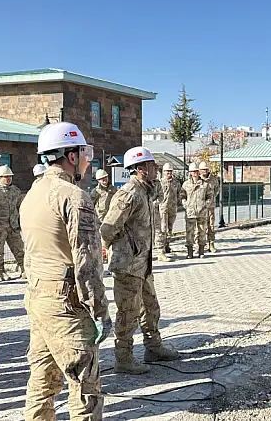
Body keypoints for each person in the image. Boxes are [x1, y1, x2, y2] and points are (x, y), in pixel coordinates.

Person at [20, 122, 111, 420]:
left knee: (43, 379)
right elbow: (87, 262)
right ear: (71, 156)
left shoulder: (32, 194)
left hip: (38, 296)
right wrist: (99, 311)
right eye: (85, 153)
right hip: (65, 302)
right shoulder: (73, 196)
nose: (87, 160)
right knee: (84, 383)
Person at [100, 146, 179, 375]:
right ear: (141, 168)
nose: (156, 169)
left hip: (142, 264)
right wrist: (117, 248)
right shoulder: (129, 193)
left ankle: (153, 348)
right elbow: (107, 228)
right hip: (127, 266)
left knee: (151, 307)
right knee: (128, 313)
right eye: (153, 165)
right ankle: (123, 358)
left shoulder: (145, 191)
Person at [0, 165, 26, 281]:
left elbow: (20, 207)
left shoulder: (16, 191)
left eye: (10, 177)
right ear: (0, 177)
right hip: (0, 227)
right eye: (5, 177)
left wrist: (20, 223)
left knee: (19, 249)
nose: (8, 179)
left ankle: (24, 269)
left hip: (13, 226)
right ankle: (0, 271)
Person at [180, 163, 210, 259]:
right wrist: (186, 205)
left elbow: (210, 196)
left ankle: (201, 251)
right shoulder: (186, 184)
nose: (195, 173)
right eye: (193, 171)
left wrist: (205, 205)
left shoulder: (205, 184)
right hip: (190, 212)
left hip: (202, 212)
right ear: (190, 173)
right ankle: (190, 252)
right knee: (189, 232)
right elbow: (182, 196)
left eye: (196, 171)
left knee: (202, 231)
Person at [156, 163, 180, 255]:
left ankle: (167, 245)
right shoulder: (160, 183)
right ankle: (161, 248)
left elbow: (179, 193)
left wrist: (179, 202)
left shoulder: (176, 182)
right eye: (167, 171)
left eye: (170, 171)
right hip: (163, 209)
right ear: (164, 172)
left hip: (173, 208)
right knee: (163, 228)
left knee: (170, 228)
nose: (169, 173)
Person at [198, 162, 219, 253]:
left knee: (211, 226)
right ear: (199, 171)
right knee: (200, 227)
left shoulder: (213, 179)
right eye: (202, 169)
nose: (204, 171)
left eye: (206, 169)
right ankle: (199, 246)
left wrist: (211, 200)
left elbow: (216, 190)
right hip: (200, 208)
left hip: (210, 207)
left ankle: (211, 244)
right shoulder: (197, 180)